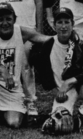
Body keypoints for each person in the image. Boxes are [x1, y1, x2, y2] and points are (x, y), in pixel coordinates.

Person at [0, 2, 49, 128]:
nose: (4, 23)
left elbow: (46, 39)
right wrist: (1, 69)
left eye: (8, 19)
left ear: (14, 19)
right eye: (0, 19)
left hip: (10, 85)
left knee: (14, 122)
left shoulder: (21, 31)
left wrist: (68, 36)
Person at [31, 7, 83, 135]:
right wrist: (56, 90)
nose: (63, 26)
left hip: (79, 86)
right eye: (60, 22)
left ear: (73, 24)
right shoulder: (48, 45)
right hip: (63, 92)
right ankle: (77, 121)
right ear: (54, 25)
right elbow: (44, 75)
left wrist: (70, 81)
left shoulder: (79, 45)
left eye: (67, 22)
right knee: (61, 122)